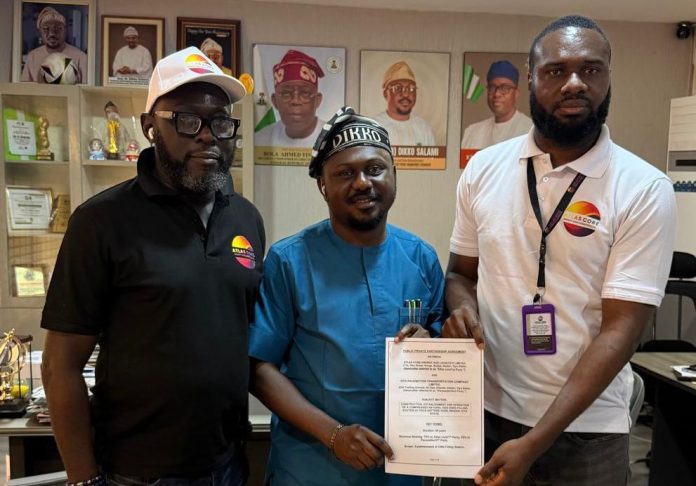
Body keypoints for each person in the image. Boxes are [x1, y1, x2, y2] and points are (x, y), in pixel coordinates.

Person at [445, 15, 676, 486]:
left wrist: (535, 441)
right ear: (531, 79)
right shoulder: (482, 170)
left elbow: (623, 330)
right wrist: (464, 308)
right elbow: (460, 273)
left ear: (608, 78)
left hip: (587, 433)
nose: (574, 83)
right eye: (556, 70)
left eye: (590, 69)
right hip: (486, 412)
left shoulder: (644, 188)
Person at [40, 46, 265, 485]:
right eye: (187, 120)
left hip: (227, 465)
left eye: (220, 122)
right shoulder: (101, 221)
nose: (207, 136)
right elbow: (60, 365)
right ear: (149, 127)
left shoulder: (245, 218)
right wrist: (83, 480)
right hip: (136, 473)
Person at [249, 106, 445, 485]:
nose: (362, 183)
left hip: (400, 470)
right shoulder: (289, 261)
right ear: (323, 185)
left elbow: (445, 353)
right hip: (311, 468)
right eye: (344, 173)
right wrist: (334, 435)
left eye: (375, 169)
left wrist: (431, 343)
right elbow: (259, 369)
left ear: (394, 175)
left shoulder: (421, 258)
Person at [255, 49, 326, 148]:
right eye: (286, 94)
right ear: (275, 101)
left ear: (317, 100)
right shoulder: (259, 140)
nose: (295, 101)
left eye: (304, 93)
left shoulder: (336, 139)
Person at [460, 60, 532, 150]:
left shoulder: (530, 130)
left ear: (516, 93)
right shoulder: (472, 132)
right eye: (492, 87)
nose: (497, 94)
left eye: (504, 88)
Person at [373, 61, 435, 146]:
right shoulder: (373, 127)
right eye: (398, 88)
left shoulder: (423, 128)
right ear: (385, 94)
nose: (406, 94)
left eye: (411, 88)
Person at [21, 6, 87, 83]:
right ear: (40, 32)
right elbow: (25, 88)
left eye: (58, 28)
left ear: (65, 31)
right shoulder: (33, 57)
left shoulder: (80, 58)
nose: (52, 33)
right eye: (46, 29)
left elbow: (86, 88)